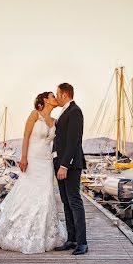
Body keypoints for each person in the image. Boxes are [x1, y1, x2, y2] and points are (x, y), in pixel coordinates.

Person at [0, 91, 67, 254]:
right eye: (52, 96)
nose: (55, 98)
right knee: (26, 193)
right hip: (32, 159)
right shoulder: (35, 114)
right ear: (45, 100)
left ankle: (42, 233)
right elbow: (26, 136)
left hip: (47, 162)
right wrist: (23, 157)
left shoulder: (55, 121)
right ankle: (17, 231)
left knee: (45, 195)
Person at [53, 82, 87, 255]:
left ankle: (82, 242)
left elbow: (73, 141)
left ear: (64, 95)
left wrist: (64, 165)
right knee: (66, 202)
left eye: (57, 94)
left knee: (74, 201)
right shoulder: (64, 112)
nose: (56, 97)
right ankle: (72, 239)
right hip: (61, 165)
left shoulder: (75, 111)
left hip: (71, 166)